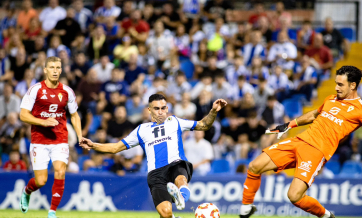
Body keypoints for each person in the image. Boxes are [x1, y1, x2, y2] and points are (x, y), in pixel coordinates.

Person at [239, 65, 362, 218]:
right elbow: (314, 114)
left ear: (353, 85)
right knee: (255, 166)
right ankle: (246, 210)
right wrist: (288, 125)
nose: (336, 87)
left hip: (316, 151)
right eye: (336, 83)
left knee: (294, 196)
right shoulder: (331, 99)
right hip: (300, 140)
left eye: (340, 84)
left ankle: (326, 216)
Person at [80, 94, 227, 218]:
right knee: (165, 213)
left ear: (167, 109)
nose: (161, 112)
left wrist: (213, 111)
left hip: (176, 163)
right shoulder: (141, 130)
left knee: (181, 179)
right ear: (149, 110)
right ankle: (177, 206)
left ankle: (181, 197)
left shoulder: (175, 121)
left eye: (163, 108)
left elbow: (203, 125)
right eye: (157, 109)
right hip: (156, 174)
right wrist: (93, 145)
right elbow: (115, 147)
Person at [19, 56, 85, 218]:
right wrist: (42, 121)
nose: (55, 71)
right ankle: (27, 191)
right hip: (39, 141)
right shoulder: (35, 89)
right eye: (52, 68)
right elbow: (23, 115)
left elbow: (75, 116)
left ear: (61, 70)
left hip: (60, 139)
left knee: (60, 171)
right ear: (45, 70)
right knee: (41, 181)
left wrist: (80, 136)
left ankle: (52, 212)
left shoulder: (67, 91)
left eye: (58, 68)